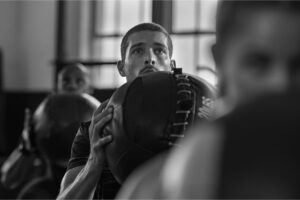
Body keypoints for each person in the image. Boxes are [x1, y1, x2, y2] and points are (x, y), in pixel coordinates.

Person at [116, 0, 300, 198]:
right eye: (257, 64)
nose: (280, 85)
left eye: (298, 66)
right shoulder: (152, 188)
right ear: (219, 59)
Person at [57, 22, 176, 199]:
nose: (150, 58)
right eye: (138, 50)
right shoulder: (95, 129)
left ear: (172, 66)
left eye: (159, 50)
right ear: (121, 67)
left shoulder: (194, 121)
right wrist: (94, 164)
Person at [0, 63, 92, 196]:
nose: (72, 86)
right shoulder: (40, 122)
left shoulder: (99, 120)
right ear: (56, 88)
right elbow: (8, 180)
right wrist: (28, 146)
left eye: (79, 81)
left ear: (89, 90)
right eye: (65, 81)